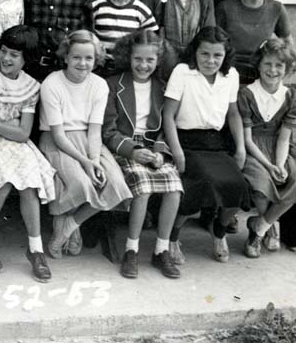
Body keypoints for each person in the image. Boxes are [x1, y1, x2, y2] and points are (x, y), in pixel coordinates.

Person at [0, 25, 55, 282]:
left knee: (28, 182)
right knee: (4, 179)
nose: (6, 58)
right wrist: (8, 128)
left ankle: (35, 248)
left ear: (26, 59)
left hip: (17, 146)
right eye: (4, 52)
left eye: (14, 55)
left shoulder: (31, 87)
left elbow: (24, 134)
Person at [37, 30, 131, 259]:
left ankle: (70, 224)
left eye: (89, 58)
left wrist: (95, 161)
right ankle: (66, 224)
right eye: (77, 57)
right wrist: (86, 163)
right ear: (66, 57)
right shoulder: (52, 83)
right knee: (80, 183)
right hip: (58, 141)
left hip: (89, 141)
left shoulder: (99, 85)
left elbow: (95, 130)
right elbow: (58, 135)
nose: (82, 63)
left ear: (96, 59)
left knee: (113, 182)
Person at [163, 26, 250, 263]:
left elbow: (233, 114)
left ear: (225, 56)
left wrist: (240, 148)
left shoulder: (231, 75)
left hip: (215, 141)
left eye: (217, 55)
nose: (210, 61)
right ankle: (172, 237)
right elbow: (168, 115)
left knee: (237, 185)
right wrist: (177, 152)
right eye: (205, 54)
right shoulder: (182, 72)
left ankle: (219, 233)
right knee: (199, 184)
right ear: (195, 52)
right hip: (186, 140)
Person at [102, 30, 182, 279]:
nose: (143, 65)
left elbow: (166, 128)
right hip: (124, 149)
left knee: (174, 185)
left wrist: (159, 152)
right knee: (144, 185)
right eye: (138, 59)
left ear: (158, 60)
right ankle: (132, 249)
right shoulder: (113, 84)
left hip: (152, 148)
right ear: (128, 56)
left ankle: (161, 250)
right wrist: (134, 151)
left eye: (150, 60)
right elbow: (109, 131)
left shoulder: (163, 87)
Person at [237, 38, 296, 258]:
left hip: (279, 147)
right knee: (261, 184)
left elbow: (284, 137)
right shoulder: (246, 93)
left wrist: (279, 164)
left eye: (279, 65)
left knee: (294, 177)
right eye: (268, 64)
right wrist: (269, 165)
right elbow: (248, 140)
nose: (273, 70)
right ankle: (272, 229)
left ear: (287, 69)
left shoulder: (290, 95)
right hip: (255, 149)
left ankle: (260, 226)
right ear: (259, 65)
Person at [215, 0, 289, 84]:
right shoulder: (225, 8)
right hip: (228, 74)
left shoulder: (276, 8)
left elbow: (287, 45)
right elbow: (214, 44)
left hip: (261, 77)